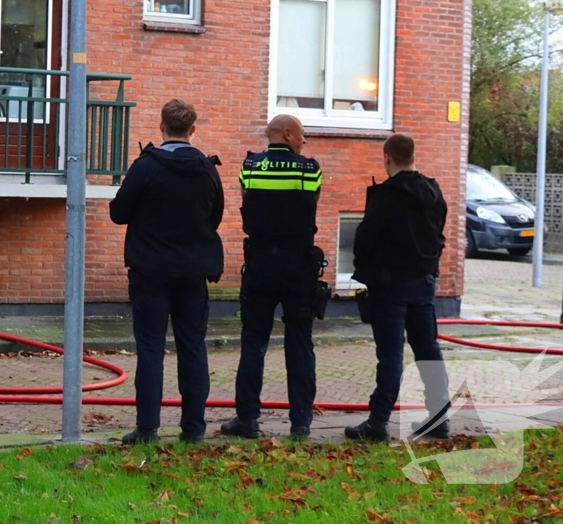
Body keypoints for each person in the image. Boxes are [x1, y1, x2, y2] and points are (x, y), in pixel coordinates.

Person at [109, 99, 225, 444]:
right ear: (192, 130)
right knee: (193, 347)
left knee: (149, 349)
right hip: (193, 273)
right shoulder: (207, 168)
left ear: (161, 127)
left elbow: (119, 212)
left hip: (150, 271)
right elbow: (215, 216)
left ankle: (147, 428)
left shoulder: (146, 166)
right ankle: (194, 429)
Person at [220, 115, 323, 441]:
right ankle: (301, 422)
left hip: (261, 264)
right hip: (298, 266)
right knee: (300, 342)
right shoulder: (309, 170)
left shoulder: (249, 167)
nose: (304, 141)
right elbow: (312, 206)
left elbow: (245, 200)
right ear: (288, 134)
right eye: (302, 135)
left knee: (253, 342)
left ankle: (247, 419)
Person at [345, 133, 452, 442]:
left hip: (389, 286)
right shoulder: (433, 191)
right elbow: (438, 234)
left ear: (387, 157)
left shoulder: (386, 196)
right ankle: (439, 420)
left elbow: (365, 239)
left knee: (390, 355)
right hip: (423, 283)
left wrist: (367, 270)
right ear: (413, 155)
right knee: (428, 350)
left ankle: (378, 421)